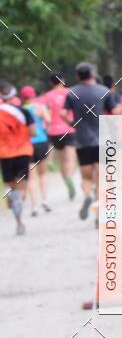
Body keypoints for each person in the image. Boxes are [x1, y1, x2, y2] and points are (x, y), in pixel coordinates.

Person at [61, 62, 113, 221]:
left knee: (86, 177)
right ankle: (99, 213)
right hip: (103, 139)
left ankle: (87, 196)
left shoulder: (72, 93)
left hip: (82, 140)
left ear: (77, 76)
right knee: (100, 177)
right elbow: (116, 111)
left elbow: (63, 113)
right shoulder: (104, 91)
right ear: (92, 73)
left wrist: (71, 124)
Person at [0, 79, 36, 235]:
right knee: (22, 188)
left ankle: (19, 222)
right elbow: (33, 132)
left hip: (5, 154)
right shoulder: (24, 112)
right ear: (13, 93)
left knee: (11, 187)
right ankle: (19, 198)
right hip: (23, 152)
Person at [42, 73, 77, 199]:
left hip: (54, 132)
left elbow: (47, 115)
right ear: (63, 80)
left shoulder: (47, 96)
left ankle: (66, 182)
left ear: (51, 83)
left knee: (62, 161)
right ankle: (69, 178)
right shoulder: (71, 92)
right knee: (70, 160)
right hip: (69, 129)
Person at [20, 86, 51, 215]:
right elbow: (48, 120)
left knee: (31, 177)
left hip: (27, 143)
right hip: (42, 142)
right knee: (43, 174)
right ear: (33, 95)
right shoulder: (40, 107)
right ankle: (45, 200)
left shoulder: (20, 110)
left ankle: (34, 206)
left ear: (22, 97)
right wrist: (44, 130)